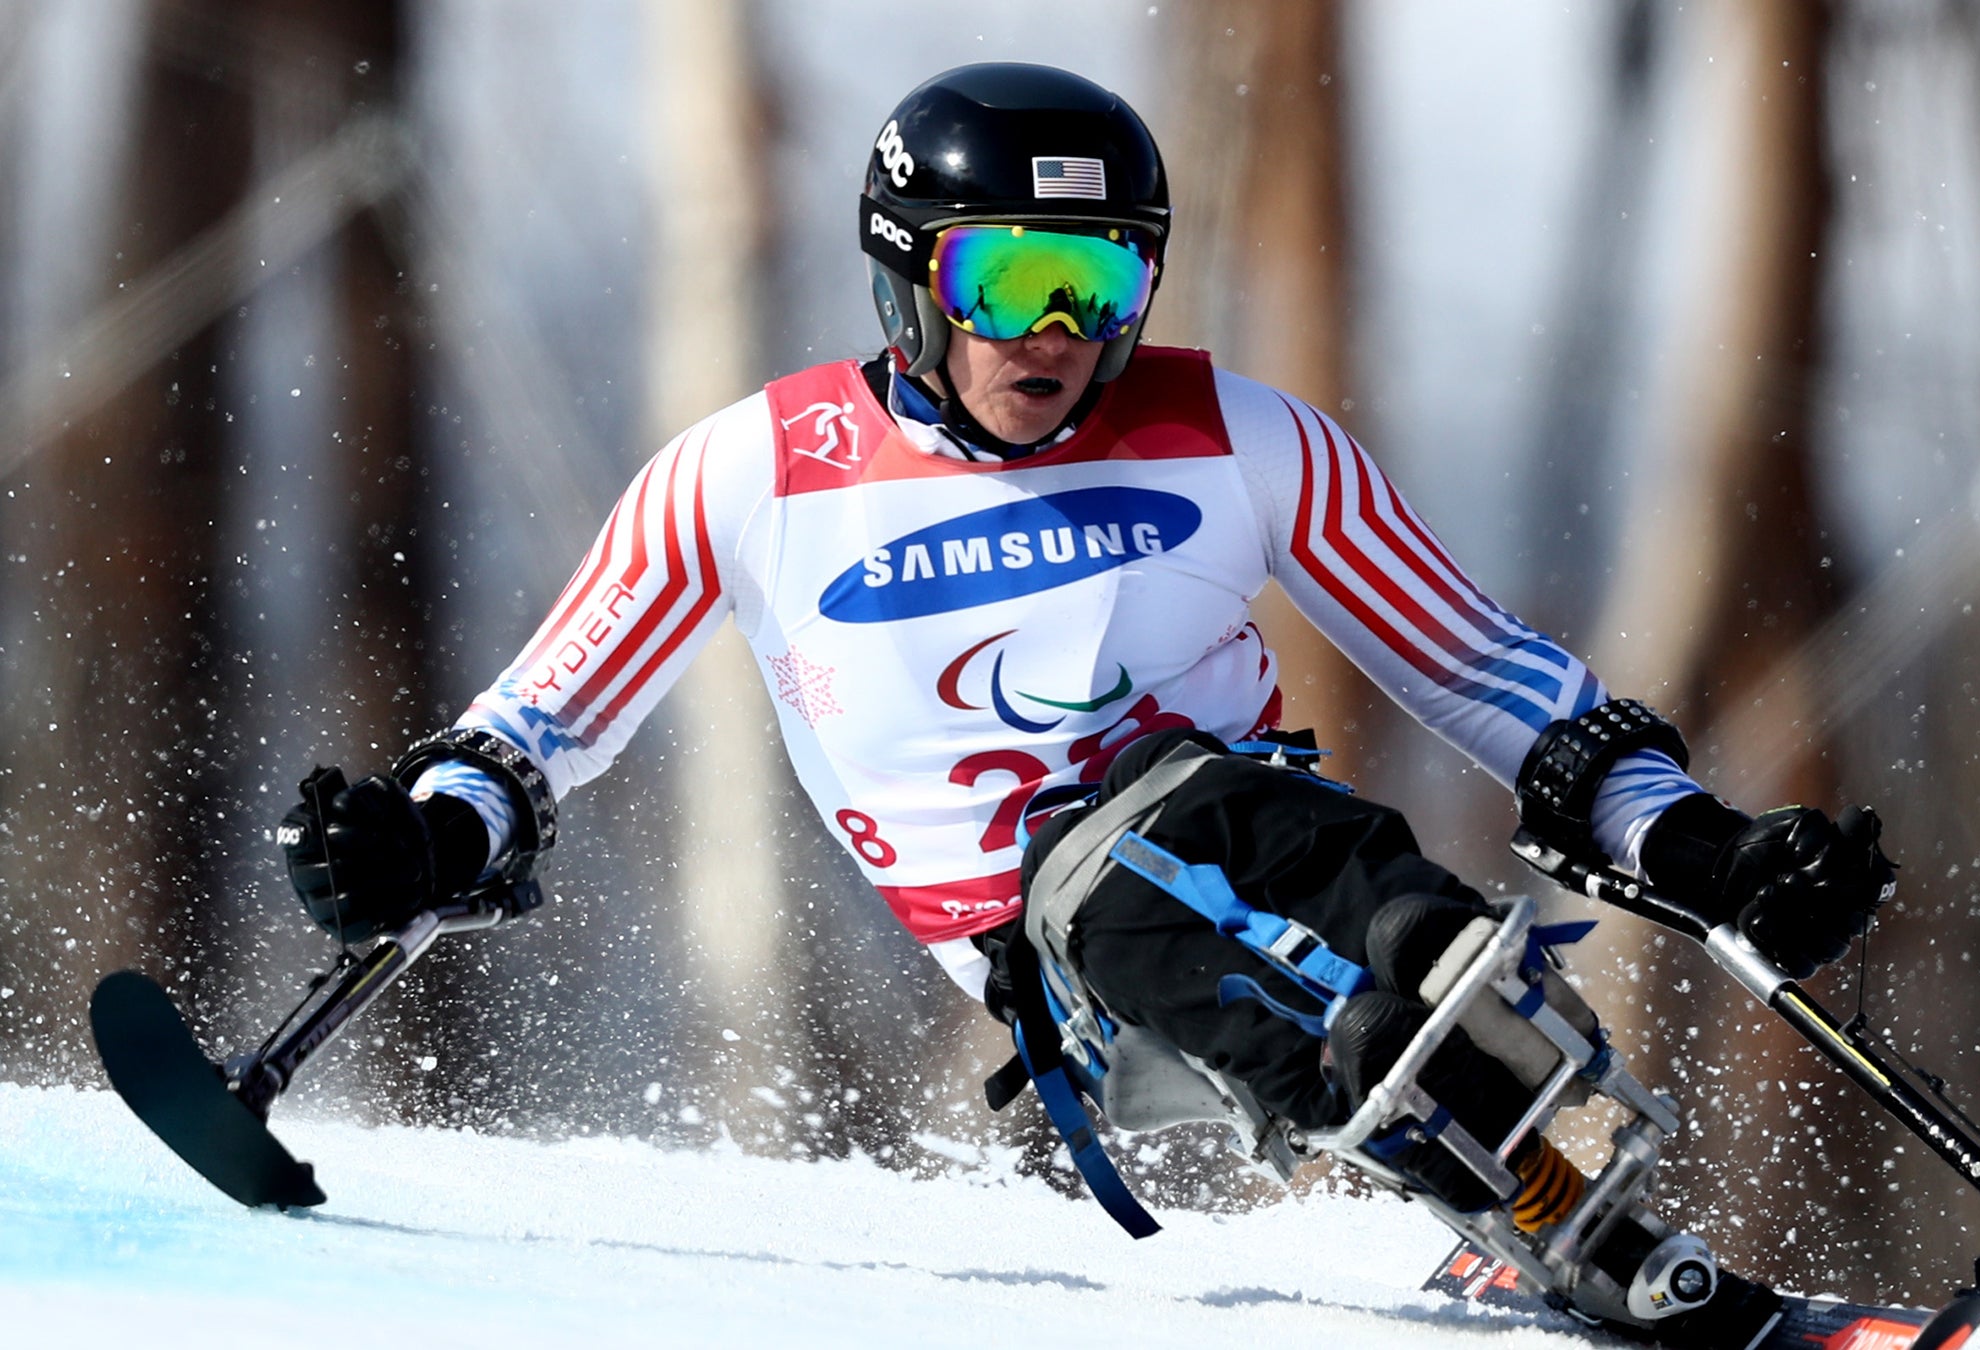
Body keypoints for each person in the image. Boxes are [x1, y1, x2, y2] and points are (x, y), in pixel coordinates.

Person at [276, 63, 1894, 1346]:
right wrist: (429, 836)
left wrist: (1698, 844)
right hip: (1041, 931)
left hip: (1252, 817)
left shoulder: (1242, 436)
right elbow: (545, 715)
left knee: (1409, 936)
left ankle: (1558, 1205)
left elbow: (1487, 674)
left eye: (1100, 278)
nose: (1056, 333)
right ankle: (1518, 1182)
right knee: (1166, 901)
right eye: (1011, 277)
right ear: (912, 277)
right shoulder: (754, 472)